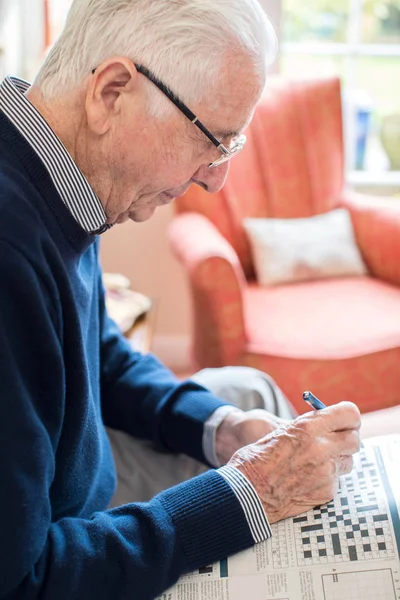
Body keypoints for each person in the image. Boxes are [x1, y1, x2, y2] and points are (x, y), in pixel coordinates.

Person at [0, 1, 361, 598]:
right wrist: (252, 495)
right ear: (113, 92)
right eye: (212, 141)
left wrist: (220, 431)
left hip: (68, 475)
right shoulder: (11, 246)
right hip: (54, 543)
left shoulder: (55, 172)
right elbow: (24, 580)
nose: (216, 179)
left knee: (246, 397)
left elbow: (101, 355)